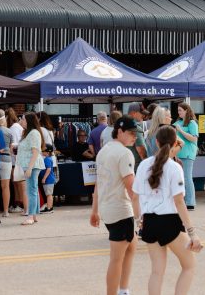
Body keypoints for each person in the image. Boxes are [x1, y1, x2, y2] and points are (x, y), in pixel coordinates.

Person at [133, 126, 202, 295]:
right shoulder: (174, 167)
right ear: (174, 143)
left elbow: (135, 197)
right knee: (189, 266)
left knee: (157, 272)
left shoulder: (143, 165)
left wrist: (138, 221)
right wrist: (192, 233)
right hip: (169, 222)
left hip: (149, 221)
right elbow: (179, 202)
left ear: (156, 142)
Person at [90, 114, 141, 295]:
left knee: (132, 245)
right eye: (131, 133)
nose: (135, 137)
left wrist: (95, 211)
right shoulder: (125, 153)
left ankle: (123, 289)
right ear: (119, 132)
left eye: (136, 133)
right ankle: (118, 291)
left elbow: (98, 182)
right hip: (121, 210)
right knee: (116, 258)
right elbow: (132, 188)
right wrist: (140, 217)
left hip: (107, 209)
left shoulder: (103, 151)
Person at [17, 112, 45, 225]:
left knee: (31, 190)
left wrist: (29, 168)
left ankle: (31, 216)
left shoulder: (33, 133)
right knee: (33, 189)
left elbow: (35, 151)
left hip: (32, 165)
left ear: (28, 121)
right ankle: (33, 214)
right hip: (29, 164)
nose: (21, 121)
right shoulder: (29, 133)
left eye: (23, 119)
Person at [174, 103, 199, 209]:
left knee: (187, 177)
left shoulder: (192, 123)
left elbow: (194, 139)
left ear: (186, 111)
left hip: (187, 154)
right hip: (177, 153)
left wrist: (180, 131)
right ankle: (181, 200)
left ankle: (190, 202)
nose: (179, 112)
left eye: (180, 110)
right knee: (178, 179)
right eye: (178, 110)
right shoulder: (177, 122)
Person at [6, 108, 26, 214]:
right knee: (17, 182)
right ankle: (19, 203)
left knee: (18, 182)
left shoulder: (13, 128)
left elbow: (13, 145)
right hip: (17, 160)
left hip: (16, 160)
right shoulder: (16, 127)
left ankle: (20, 204)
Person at [0, 109, 13, 217]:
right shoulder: (9, 131)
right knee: (6, 186)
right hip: (6, 159)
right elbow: (11, 150)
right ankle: (6, 211)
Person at [126, 103, 148, 171]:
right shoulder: (135, 128)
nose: (143, 116)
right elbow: (141, 149)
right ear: (133, 113)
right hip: (136, 167)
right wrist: (147, 164)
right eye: (141, 113)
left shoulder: (122, 125)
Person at [41, 144, 56, 214]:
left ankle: (49, 208)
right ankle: (50, 206)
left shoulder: (47, 159)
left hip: (48, 180)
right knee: (49, 194)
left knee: (49, 194)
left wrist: (44, 178)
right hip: (49, 180)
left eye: (43, 151)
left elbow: (48, 169)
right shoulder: (49, 158)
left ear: (47, 152)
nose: (42, 152)